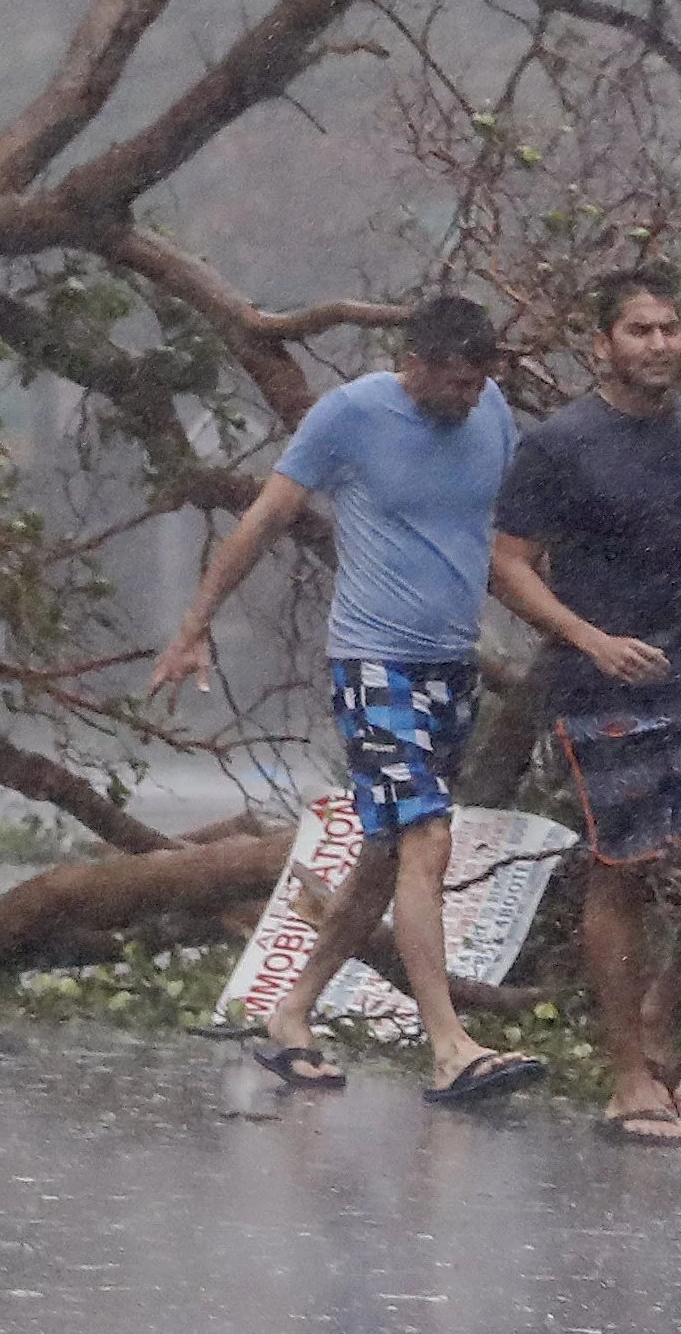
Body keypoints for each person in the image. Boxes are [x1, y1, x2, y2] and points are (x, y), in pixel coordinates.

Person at [148, 294, 547, 1106]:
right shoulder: (351, 415)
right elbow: (264, 517)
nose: (471, 397)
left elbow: (512, 531)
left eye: (481, 382)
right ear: (417, 365)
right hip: (372, 662)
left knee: (381, 854)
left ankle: (291, 1011)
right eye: (459, 383)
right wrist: (194, 623)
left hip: (448, 663)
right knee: (426, 836)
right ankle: (449, 1047)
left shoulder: (493, 411)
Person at [488, 266, 681, 1146]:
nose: (659, 344)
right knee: (620, 867)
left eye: (669, 328)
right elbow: (507, 562)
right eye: (639, 330)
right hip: (604, 690)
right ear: (601, 346)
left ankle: (662, 1004)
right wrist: (585, 637)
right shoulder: (560, 445)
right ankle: (629, 1074)